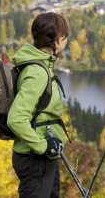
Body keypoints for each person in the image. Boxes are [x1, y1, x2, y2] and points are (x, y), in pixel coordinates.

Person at [7, 12, 69, 197]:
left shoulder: (40, 66)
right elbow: (16, 119)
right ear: (57, 40)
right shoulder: (38, 72)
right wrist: (43, 146)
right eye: (65, 37)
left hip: (43, 158)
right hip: (35, 159)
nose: (66, 42)